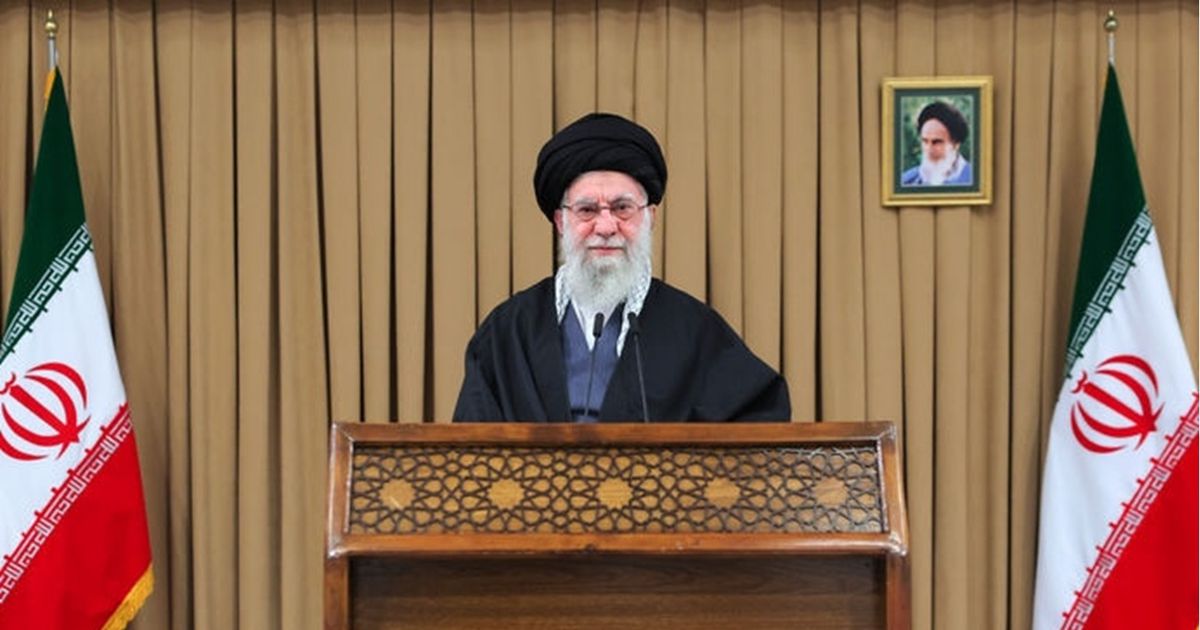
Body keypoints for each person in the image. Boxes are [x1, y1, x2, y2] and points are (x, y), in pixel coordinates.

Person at [452, 113, 790, 422]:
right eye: (587, 210)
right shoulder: (508, 332)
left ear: (650, 217)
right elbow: (469, 447)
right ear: (560, 221)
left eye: (622, 208)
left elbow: (760, 422)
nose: (605, 227)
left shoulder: (695, 331)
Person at [901, 101, 973, 186]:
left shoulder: (976, 180)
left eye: (936, 142)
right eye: (925, 141)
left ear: (956, 144)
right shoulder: (906, 181)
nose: (929, 150)